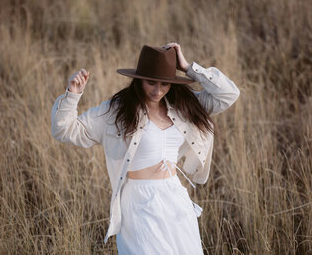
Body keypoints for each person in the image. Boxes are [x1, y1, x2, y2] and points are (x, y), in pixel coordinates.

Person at [51, 43, 240, 254]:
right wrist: (72, 95)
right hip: (138, 202)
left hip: (174, 198)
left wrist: (187, 67)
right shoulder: (116, 111)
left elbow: (228, 94)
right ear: (139, 79)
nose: (157, 90)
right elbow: (65, 130)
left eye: (164, 84)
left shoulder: (184, 107)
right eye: (151, 82)